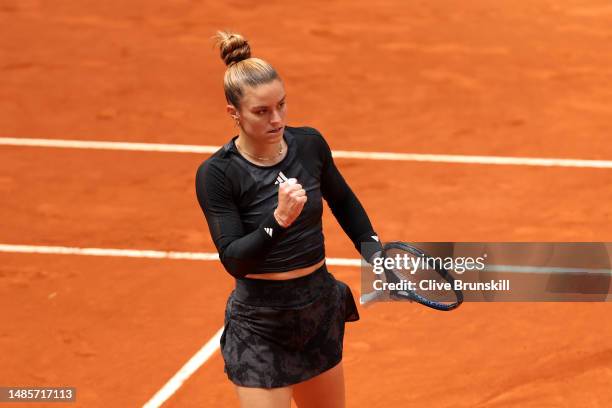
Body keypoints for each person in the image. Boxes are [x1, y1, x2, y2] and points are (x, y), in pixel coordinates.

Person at [195, 31, 382, 408]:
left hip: (317, 309)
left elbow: (343, 200)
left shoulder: (309, 145)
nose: (277, 119)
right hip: (260, 323)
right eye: (262, 111)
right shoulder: (218, 174)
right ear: (234, 113)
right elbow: (233, 257)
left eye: (281, 105)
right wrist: (277, 220)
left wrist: (374, 251)